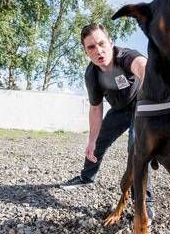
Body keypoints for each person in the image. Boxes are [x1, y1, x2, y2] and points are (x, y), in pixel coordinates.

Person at [61, 23, 154, 223]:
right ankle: (86, 177)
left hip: (141, 105)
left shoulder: (125, 56)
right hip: (119, 109)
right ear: (86, 52)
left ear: (111, 43)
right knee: (98, 142)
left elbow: (142, 66)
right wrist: (91, 140)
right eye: (91, 47)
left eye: (101, 43)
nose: (98, 51)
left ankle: (144, 203)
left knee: (136, 148)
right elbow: (96, 109)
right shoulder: (92, 75)